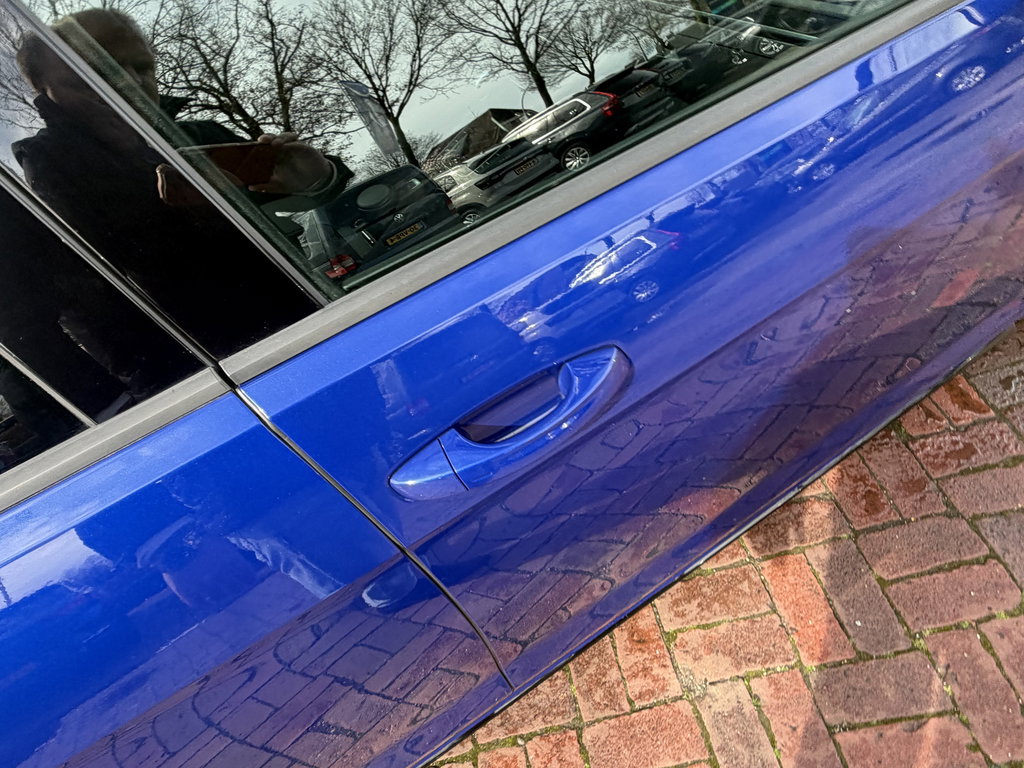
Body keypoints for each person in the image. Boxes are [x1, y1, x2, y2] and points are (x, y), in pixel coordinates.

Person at [13, 8, 352, 357]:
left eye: (142, 67)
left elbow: (309, 205)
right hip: (222, 363)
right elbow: (101, 293)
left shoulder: (199, 136)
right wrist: (200, 215)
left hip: (321, 320)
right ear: (46, 90)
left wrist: (318, 179)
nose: (130, 81)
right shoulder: (51, 170)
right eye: (97, 72)